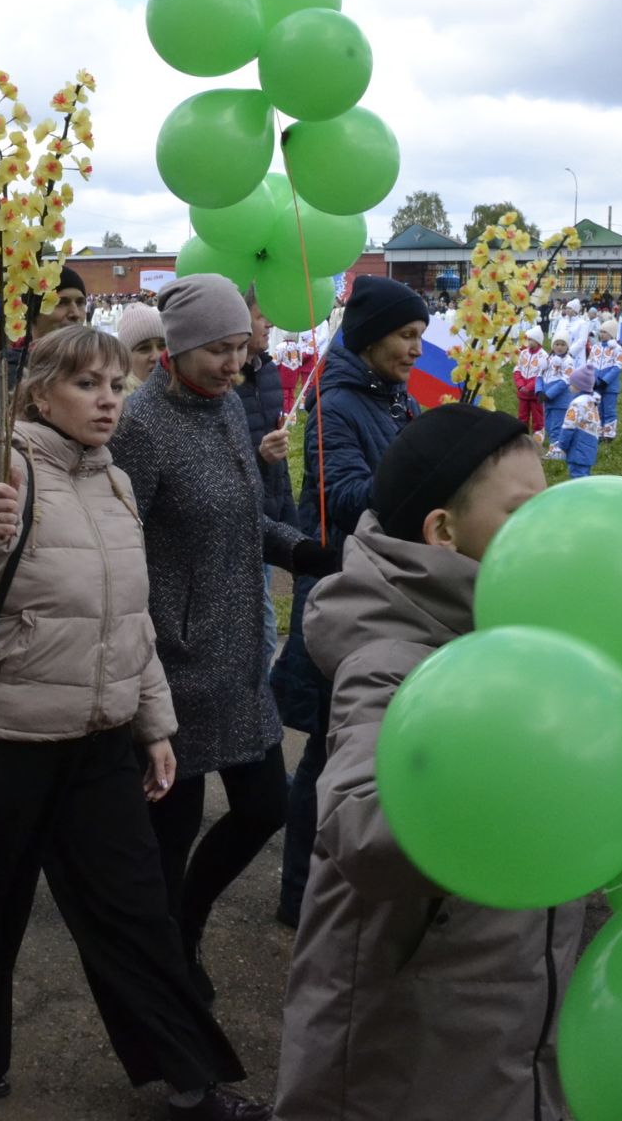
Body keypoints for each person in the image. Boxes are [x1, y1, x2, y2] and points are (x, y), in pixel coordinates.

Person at [0, 325, 271, 1121]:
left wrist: (155, 723)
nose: (109, 400)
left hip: (101, 743)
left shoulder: (114, 483)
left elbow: (126, 620)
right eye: (87, 386)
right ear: (40, 393)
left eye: (117, 384)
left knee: (136, 914)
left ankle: (190, 1080)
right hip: (4, 739)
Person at [278, 403, 580, 1121]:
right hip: (405, 1064)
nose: (549, 538)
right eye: (521, 514)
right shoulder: (390, 662)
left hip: (502, 1042)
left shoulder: (524, 639)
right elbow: (362, 830)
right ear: (444, 533)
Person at [109, 274, 333, 999]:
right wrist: (146, 643)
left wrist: (300, 550)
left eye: (242, 347)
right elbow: (117, 545)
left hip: (239, 658)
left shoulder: (230, 407)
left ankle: (186, 925)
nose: (236, 364)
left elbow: (241, 518)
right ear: (175, 349)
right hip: (173, 665)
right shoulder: (139, 426)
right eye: (219, 351)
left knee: (263, 807)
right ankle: (163, 972)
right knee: (166, 839)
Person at [273, 274, 425, 930]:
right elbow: (343, 497)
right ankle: (301, 891)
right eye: (406, 335)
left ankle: (341, 881)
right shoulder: (337, 404)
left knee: (358, 746)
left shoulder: (391, 397)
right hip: (348, 590)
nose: (418, 349)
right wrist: (424, 476)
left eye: (421, 335)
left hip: (389, 585)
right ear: (369, 338)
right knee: (329, 754)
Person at [235, 289, 297, 678]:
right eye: (261, 317)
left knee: (261, 633)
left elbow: (276, 465)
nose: (269, 323)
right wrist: (259, 455)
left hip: (267, 511)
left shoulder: (267, 370)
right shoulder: (229, 381)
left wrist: (288, 518)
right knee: (261, 636)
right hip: (241, 518)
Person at [0, 265, 89, 430]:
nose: (75, 313)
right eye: (60, 303)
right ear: (33, 314)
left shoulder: (99, 369)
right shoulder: (4, 381)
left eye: (80, 303)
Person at [555, 366, 603, 477]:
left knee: (577, 476)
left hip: (578, 446)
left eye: (572, 384)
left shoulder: (576, 404)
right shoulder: (592, 402)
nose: (569, 386)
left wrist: (562, 446)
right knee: (584, 475)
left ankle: (580, 494)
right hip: (590, 446)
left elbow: (568, 426)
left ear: (578, 387)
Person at [118, 302, 167, 394]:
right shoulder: (120, 405)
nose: (157, 357)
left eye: (162, 346)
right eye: (144, 348)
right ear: (126, 358)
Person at [589, 320, 622, 438]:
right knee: (598, 409)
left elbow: (618, 366)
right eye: (601, 332)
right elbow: (590, 363)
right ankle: (598, 431)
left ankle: (609, 433)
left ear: (612, 334)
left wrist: (605, 380)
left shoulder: (617, 348)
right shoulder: (595, 347)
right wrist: (592, 379)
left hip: (609, 386)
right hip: (596, 385)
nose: (602, 334)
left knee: (609, 409)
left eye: (605, 332)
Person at [512, 326, 546, 438]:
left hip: (535, 393)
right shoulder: (523, 353)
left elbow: (540, 375)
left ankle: (538, 437)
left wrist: (529, 387)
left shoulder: (543, 355)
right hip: (523, 392)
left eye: (531, 339)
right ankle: (523, 436)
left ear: (537, 341)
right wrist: (520, 385)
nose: (528, 342)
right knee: (522, 415)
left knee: (537, 416)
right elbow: (517, 369)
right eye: (528, 339)